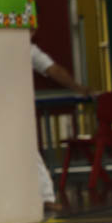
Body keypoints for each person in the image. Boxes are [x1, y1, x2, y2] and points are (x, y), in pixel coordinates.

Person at [31, 41, 92, 211]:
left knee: (28, 151)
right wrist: (78, 87)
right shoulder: (25, 47)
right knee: (28, 151)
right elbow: (54, 70)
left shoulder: (26, 48)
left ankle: (45, 197)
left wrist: (77, 87)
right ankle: (45, 197)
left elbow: (54, 70)